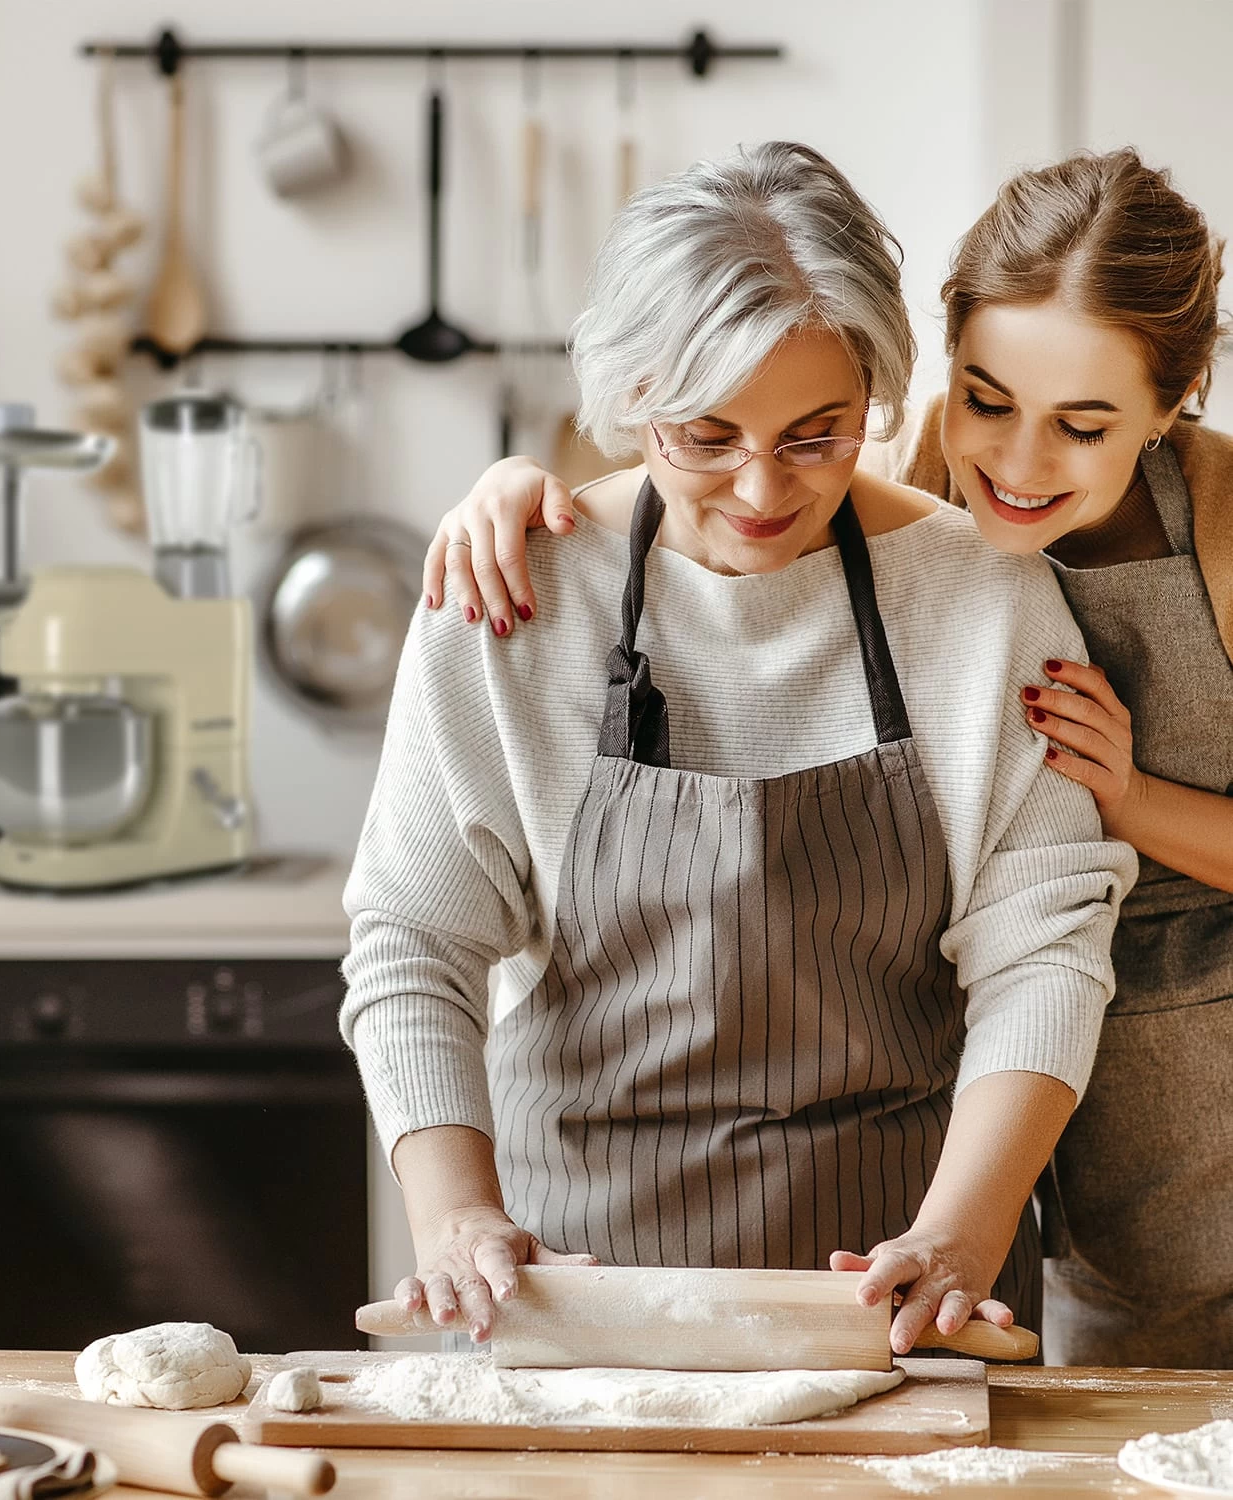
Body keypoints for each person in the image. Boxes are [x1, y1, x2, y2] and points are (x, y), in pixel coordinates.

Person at [425, 146, 1233, 1367]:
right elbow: (413, 932)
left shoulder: (1109, 552)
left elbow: (1044, 936)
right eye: (988, 402)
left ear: (1176, 408)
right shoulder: (891, 505)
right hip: (669, 1237)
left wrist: (1130, 799)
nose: (1015, 465)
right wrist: (514, 489)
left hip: (1116, 1132)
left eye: (1083, 425)